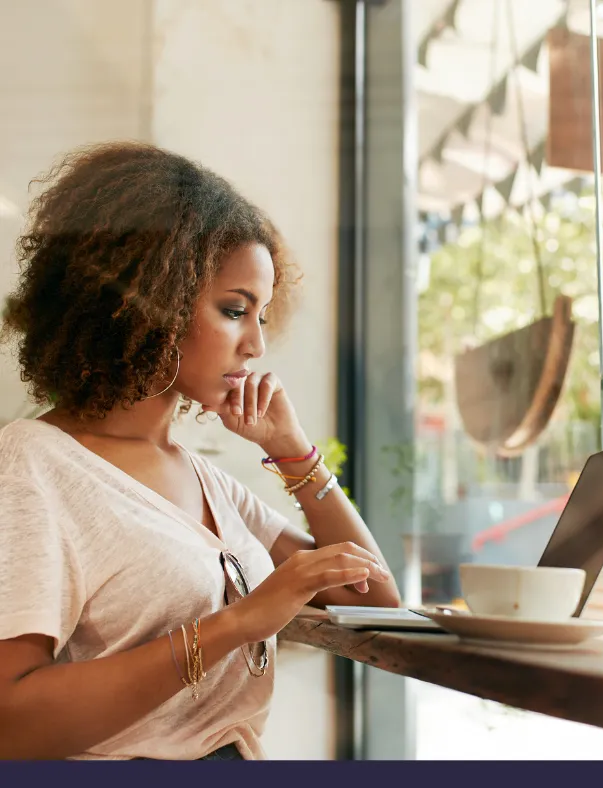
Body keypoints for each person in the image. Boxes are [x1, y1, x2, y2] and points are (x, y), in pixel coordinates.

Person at [0, 142, 401, 760]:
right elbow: (12, 722)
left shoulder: (207, 481)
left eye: (262, 315)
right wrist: (239, 622)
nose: (256, 346)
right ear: (144, 302)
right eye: (235, 310)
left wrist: (294, 453)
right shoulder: (34, 464)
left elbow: (373, 599)